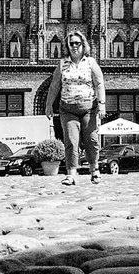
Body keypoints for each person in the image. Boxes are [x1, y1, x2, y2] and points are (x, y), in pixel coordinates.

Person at [45, 33, 105, 186]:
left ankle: (94, 170)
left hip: (89, 109)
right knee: (71, 141)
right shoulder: (63, 63)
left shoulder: (91, 63)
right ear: (67, 46)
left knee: (91, 140)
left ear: (83, 45)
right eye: (71, 43)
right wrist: (48, 105)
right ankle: (71, 173)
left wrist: (102, 104)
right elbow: (54, 86)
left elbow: (99, 83)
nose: (74, 46)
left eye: (77, 43)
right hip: (68, 109)